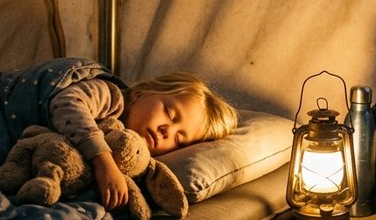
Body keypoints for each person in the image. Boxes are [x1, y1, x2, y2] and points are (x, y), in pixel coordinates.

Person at [49, 71, 239, 210]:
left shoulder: (134, 157)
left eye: (179, 140)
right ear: (142, 92)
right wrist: (103, 162)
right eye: (170, 114)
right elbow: (68, 102)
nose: (167, 131)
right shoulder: (109, 96)